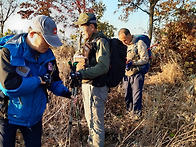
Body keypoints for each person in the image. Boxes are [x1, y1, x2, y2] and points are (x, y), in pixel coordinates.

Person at [0, 15, 73, 147]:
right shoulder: (8, 51)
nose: (49, 45)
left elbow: (53, 80)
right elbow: (10, 87)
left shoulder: (48, 55)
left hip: (34, 118)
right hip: (8, 116)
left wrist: (67, 93)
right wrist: (38, 80)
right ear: (33, 34)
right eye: (46, 40)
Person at [74, 12, 110, 147]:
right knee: (90, 120)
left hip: (97, 87)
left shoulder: (101, 42)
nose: (80, 30)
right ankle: (92, 143)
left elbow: (103, 66)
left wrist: (82, 74)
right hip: (87, 86)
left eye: (82, 27)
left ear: (92, 27)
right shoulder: (89, 42)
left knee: (96, 122)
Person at [118, 28, 149, 120]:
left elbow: (145, 59)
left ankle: (136, 116)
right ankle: (129, 113)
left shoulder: (139, 43)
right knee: (127, 95)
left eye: (125, 40)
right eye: (122, 40)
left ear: (129, 35)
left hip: (137, 74)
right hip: (126, 75)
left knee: (136, 95)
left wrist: (134, 63)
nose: (124, 42)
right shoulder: (124, 46)